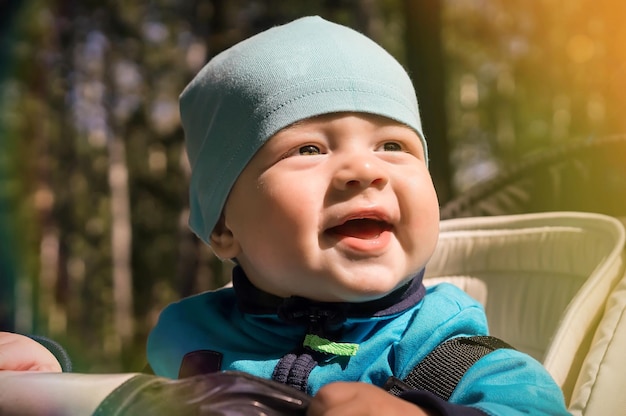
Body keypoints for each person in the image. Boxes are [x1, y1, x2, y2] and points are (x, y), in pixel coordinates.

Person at [0, 16, 570, 415]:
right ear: (223, 227)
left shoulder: (441, 348)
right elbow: (131, 386)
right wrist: (54, 369)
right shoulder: (188, 333)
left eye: (393, 146)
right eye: (309, 149)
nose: (362, 171)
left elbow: (532, 405)